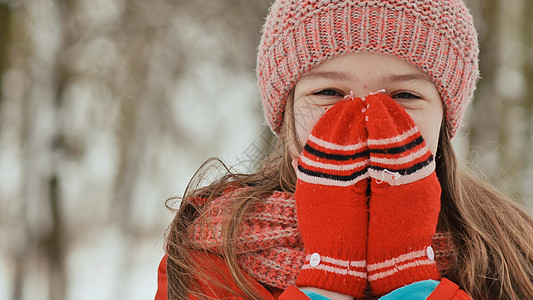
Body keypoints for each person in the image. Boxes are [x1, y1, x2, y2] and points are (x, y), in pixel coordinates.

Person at [155, 0, 533, 299]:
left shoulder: (514, 253)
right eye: (329, 93)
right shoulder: (215, 249)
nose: (368, 119)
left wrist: (409, 279)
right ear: (283, 113)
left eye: (403, 95)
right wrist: (328, 279)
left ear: (445, 117)